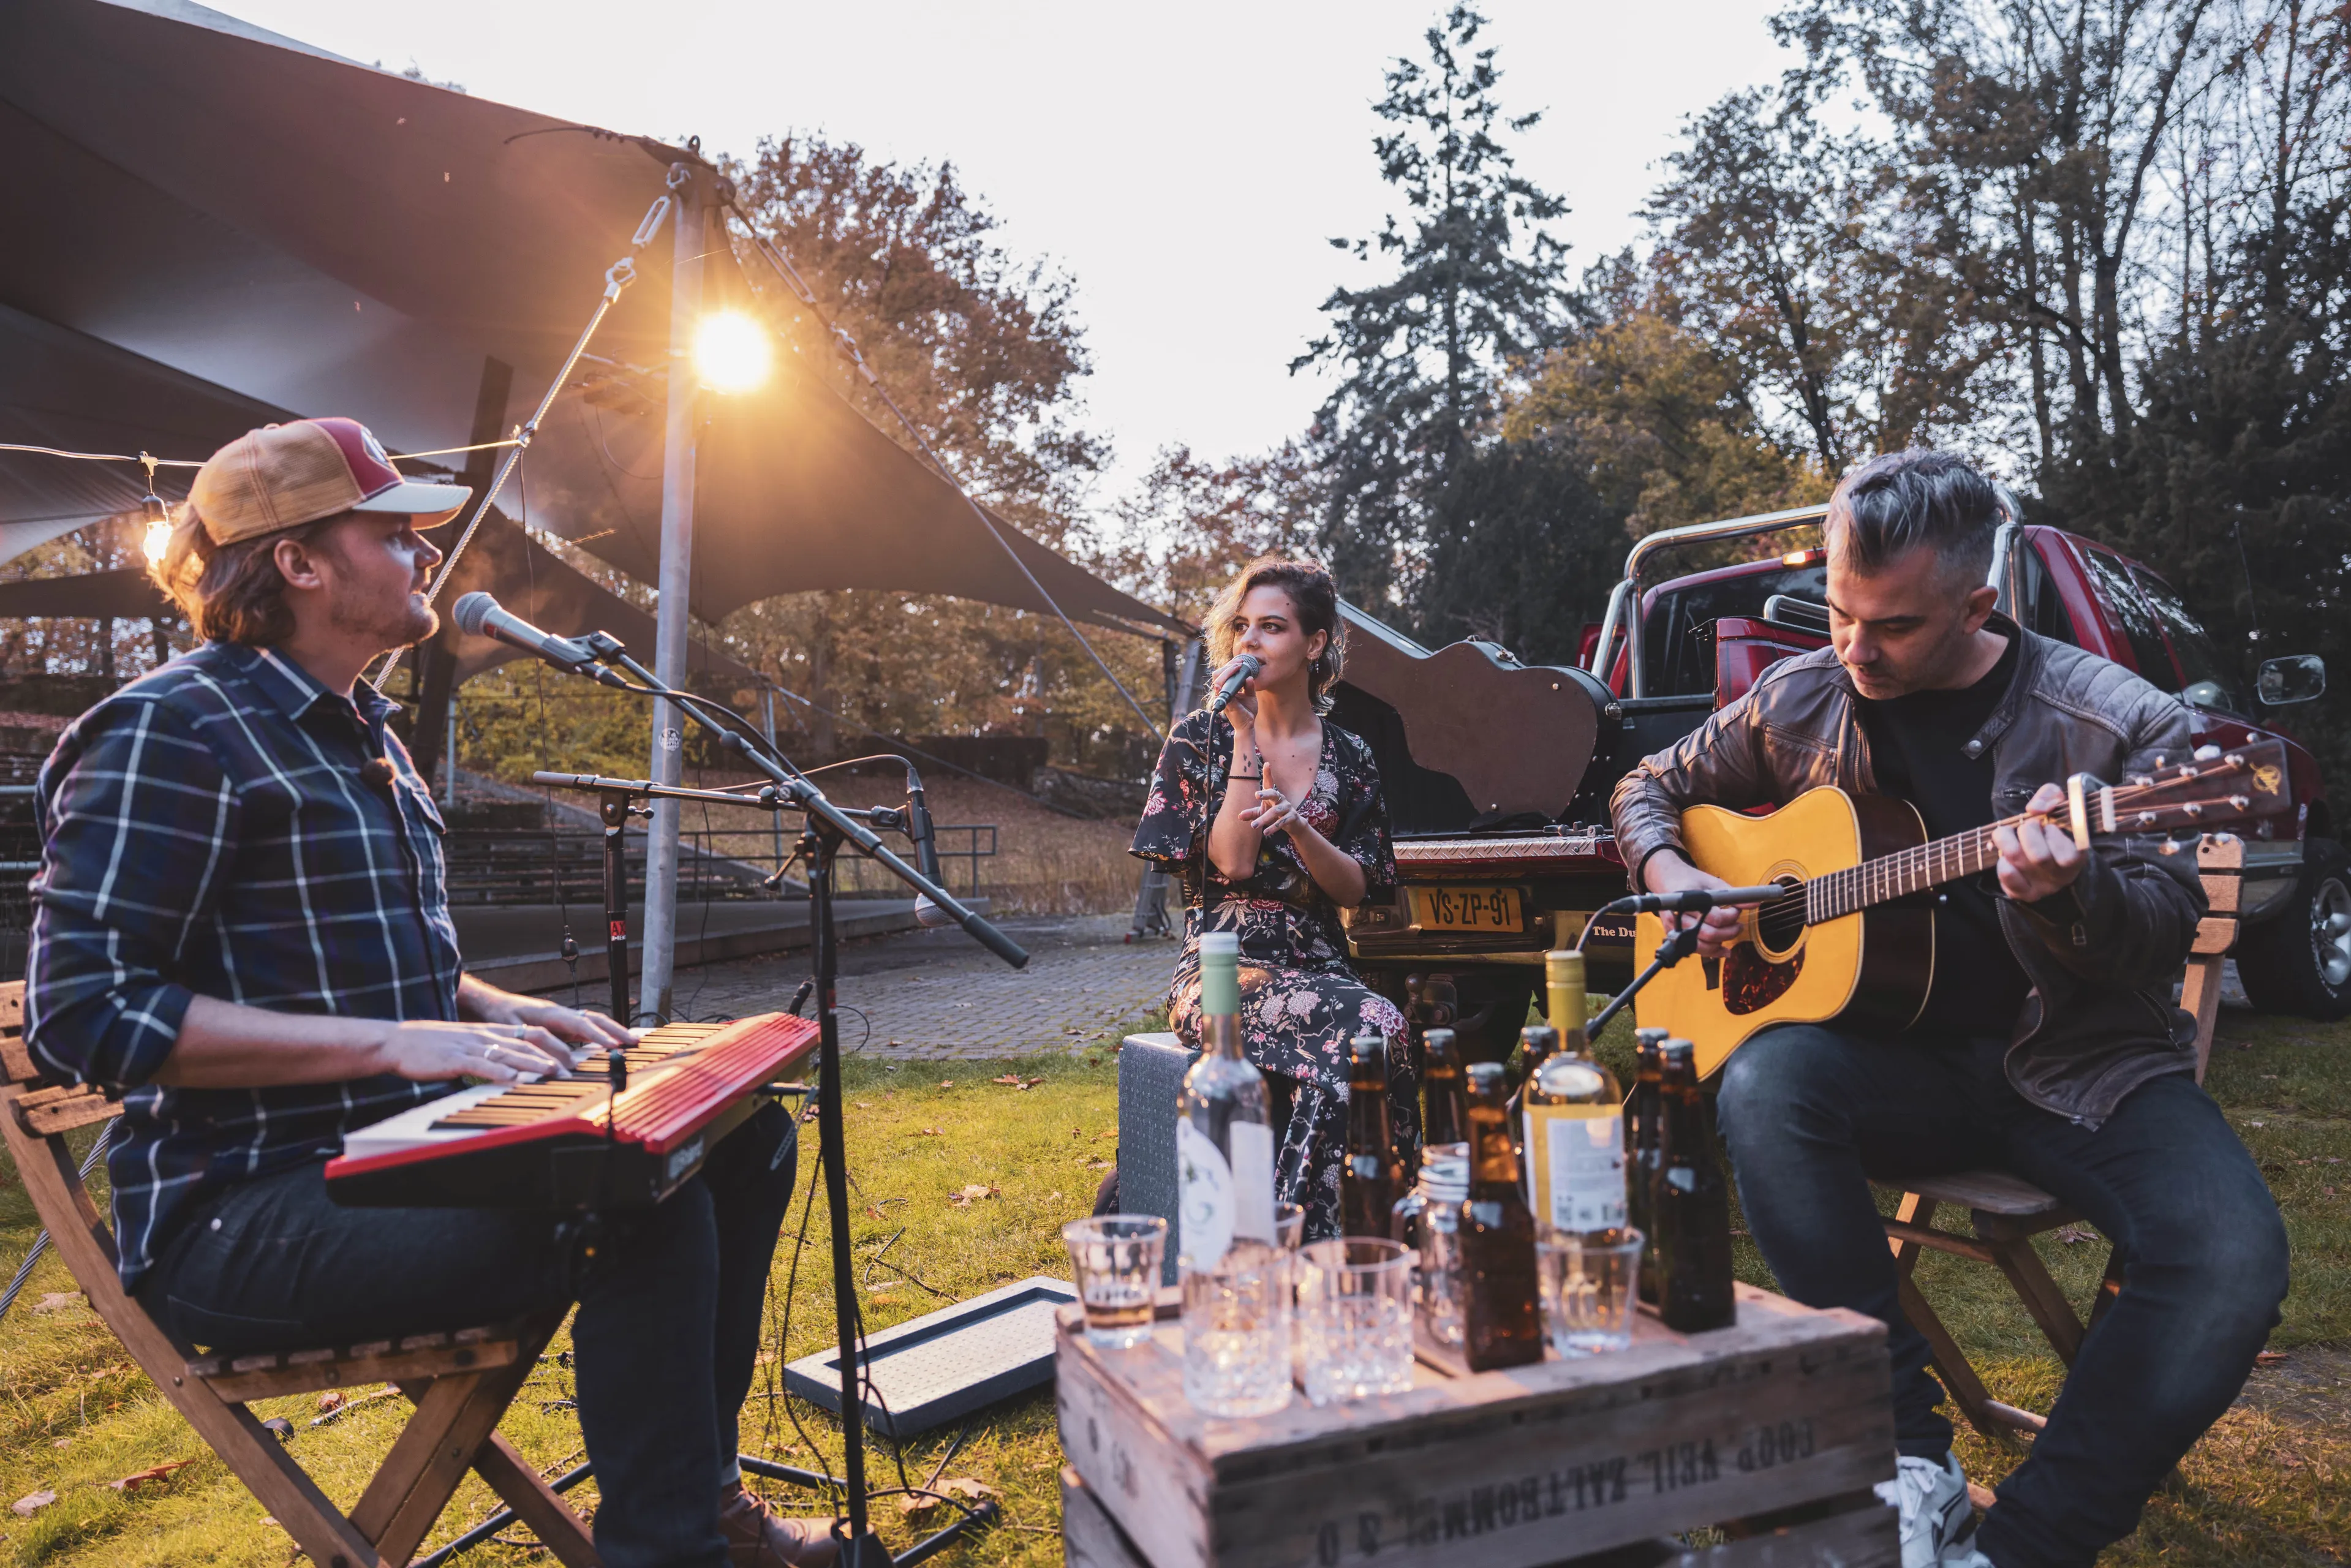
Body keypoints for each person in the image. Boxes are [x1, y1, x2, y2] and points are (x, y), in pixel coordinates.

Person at [26, 419, 836, 1568]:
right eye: (390, 530)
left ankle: (698, 1503)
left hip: (400, 1153)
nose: (424, 553)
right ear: (299, 562)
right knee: (635, 1200)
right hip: (240, 1219)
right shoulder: (165, 733)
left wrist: (495, 1012)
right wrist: (402, 1046)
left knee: (742, 1141)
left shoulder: (366, 731)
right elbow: (84, 1017)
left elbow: (380, 969)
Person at [1611, 450, 2288, 1568]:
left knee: (2225, 1256)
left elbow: (2163, 923)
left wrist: (2072, 898)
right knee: (1767, 1080)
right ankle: (1905, 1456)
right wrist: (1673, 880)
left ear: (1979, 602)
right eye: (1837, 613)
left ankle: (2018, 1547)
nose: (1853, 650)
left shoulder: (2115, 725)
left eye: (1893, 626)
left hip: (2079, 1065)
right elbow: (1647, 785)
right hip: (1890, 1067)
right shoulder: (1799, 695)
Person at [1132, 556, 1418, 1237]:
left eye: (1271, 627)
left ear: (1314, 644)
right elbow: (1231, 862)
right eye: (1240, 628)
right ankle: (1328, 1247)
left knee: (1359, 1053)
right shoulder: (1198, 739)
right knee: (1372, 1028)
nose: (1250, 642)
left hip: (1320, 962)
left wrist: (1297, 826)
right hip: (1222, 965)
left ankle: (1341, 1245)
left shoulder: (1350, 753)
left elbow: (1355, 888)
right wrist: (1241, 739)